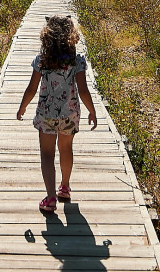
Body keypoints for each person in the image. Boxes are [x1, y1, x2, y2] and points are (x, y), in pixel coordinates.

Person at [15, 14, 98, 213]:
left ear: (47, 38)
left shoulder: (41, 61)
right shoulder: (77, 62)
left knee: (46, 153)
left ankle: (50, 198)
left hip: (46, 114)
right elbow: (83, 90)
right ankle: (65, 187)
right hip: (69, 113)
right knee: (66, 149)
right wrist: (92, 111)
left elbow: (32, 88)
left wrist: (22, 107)